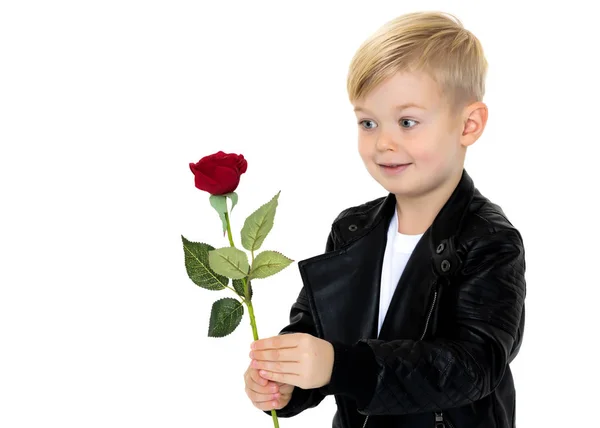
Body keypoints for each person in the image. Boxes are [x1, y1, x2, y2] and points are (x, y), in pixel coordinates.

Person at [243, 10, 526, 428]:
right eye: (368, 122)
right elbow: (316, 331)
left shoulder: (489, 240)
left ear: (468, 125)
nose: (383, 143)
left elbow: (473, 365)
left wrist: (340, 366)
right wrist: (287, 379)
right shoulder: (351, 230)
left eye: (407, 122)